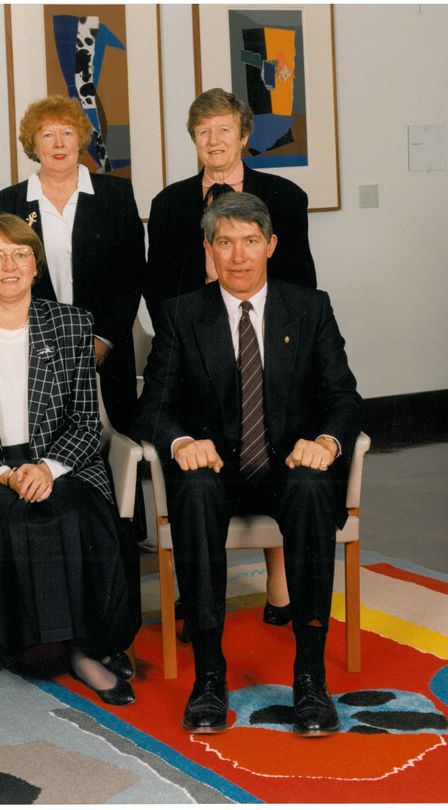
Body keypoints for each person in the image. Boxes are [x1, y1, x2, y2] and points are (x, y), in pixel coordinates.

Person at [136, 192, 360, 736]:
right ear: (209, 251)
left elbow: (345, 397)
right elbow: (153, 408)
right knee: (192, 487)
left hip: (288, 468)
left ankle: (309, 677)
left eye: (251, 242)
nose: (238, 256)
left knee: (311, 488)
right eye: (225, 243)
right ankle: (209, 676)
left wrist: (328, 443)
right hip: (218, 474)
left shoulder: (310, 307)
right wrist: (182, 439)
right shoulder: (183, 314)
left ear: (271, 246)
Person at [0, 214, 140, 706]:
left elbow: (88, 423)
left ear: (37, 265)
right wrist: (4, 473)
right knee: (11, 519)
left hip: (62, 461)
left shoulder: (70, 324)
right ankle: (28, 640)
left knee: (72, 514)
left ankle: (83, 650)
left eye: (20, 254)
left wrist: (47, 469)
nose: (10, 266)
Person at [145, 87, 318, 625]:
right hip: (197, 340)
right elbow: (158, 285)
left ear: (243, 136)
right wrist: (187, 333)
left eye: (224, 130)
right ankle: (199, 591)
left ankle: (280, 581)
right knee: (207, 452)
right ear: (193, 140)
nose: (214, 141)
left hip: (267, 339)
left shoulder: (283, 197)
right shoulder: (170, 203)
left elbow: (301, 281)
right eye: (203, 132)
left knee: (272, 439)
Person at [0, 95, 145, 433]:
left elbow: (131, 276)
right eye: (47, 134)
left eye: (67, 133)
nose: (58, 143)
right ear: (33, 144)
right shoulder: (5, 203)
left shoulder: (116, 194)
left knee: (115, 453)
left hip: (107, 354)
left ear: (80, 140)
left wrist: (103, 341)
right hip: (33, 355)